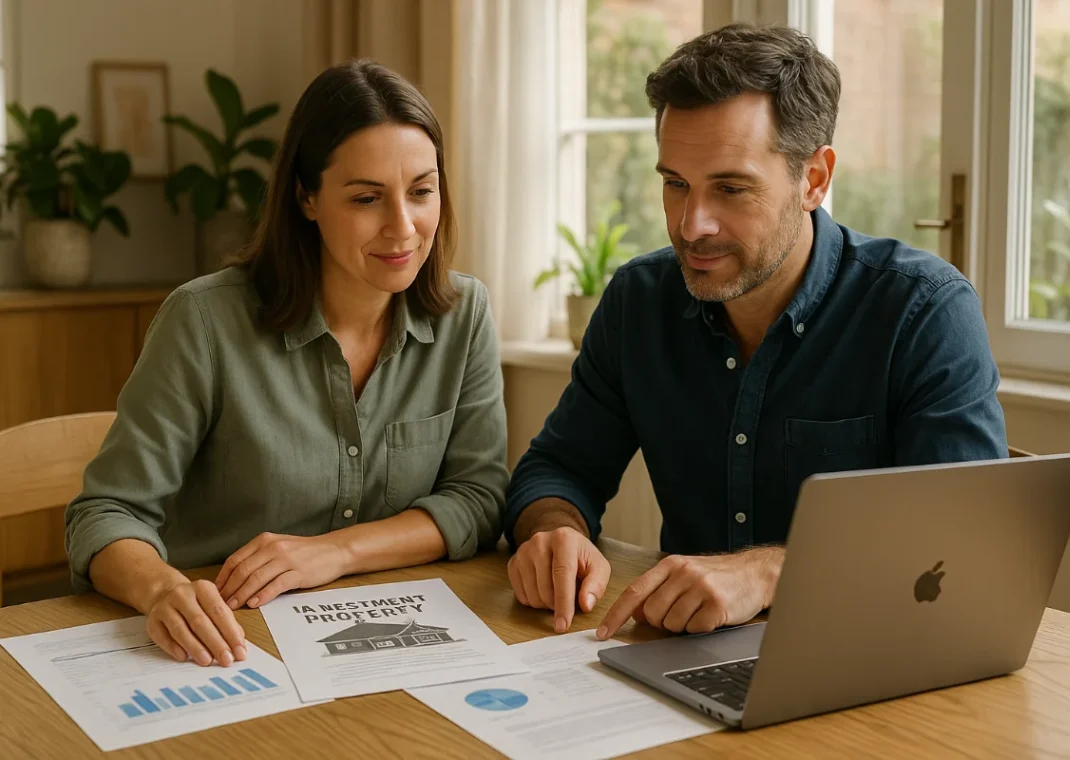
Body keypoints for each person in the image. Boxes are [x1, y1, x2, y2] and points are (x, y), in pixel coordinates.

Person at [504, 24, 1007, 641]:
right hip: (681, 655)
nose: (691, 225)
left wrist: (772, 572)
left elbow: (962, 543)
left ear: (814, 179)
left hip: (869, 651)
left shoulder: (923, 311)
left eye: (730, 188)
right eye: (675, 183)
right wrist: (555, 531)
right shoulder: (638, 302)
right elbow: (557, 468)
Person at [65, 60, 508, 668]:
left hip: (384, 640)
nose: (403, 227)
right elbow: (105, 513)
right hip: (222, 643)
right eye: (366, 198)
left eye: (421, 191)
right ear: (306, 197)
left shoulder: (466, 313)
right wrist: (163, 590)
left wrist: (338, 551)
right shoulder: (203, 321)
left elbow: (479, 497)